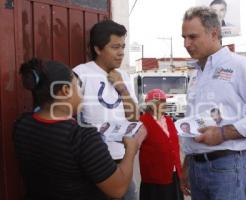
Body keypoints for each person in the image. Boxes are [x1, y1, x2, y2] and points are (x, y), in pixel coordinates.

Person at [180, 6, 246, 200]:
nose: (186, 43)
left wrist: (223, 133)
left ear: (214, 33)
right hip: (197, 167)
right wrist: (188, 163)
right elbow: (196, 122)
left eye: (192, 37)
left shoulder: (240, 66)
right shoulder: (197, 73)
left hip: (226, 167)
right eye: (184, 37)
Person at [13, 58, 142, 200]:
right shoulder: (81, 137)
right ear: (65, 90)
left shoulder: (22, 125)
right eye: (78, 86)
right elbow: (118, 189)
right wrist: (131, 150)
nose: (82, 93)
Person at [73, 20, 143, 200]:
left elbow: (134, 117)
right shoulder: (81, 74)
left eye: (123, 47)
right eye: (115, 47)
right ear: (98, 48)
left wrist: (122, 88)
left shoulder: (125, 76)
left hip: (122, 161)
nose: (121, 53)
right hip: (93, 165)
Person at [139, 89, 183, 200]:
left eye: (163, 101)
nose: (161, 104)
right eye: (157, 101)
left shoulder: (168, 120)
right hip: (155, 177)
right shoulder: (142, 121)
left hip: (173, 173)